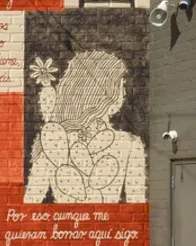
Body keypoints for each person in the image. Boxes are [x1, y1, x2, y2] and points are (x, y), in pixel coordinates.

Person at [25, 50, 147, 203]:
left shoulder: (53, 142)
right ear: (104, 92)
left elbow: (30, 202)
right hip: (109, 226)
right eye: (120, 85)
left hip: (62, 225)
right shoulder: (130, 144)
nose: (123, 92)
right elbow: (136, 204)